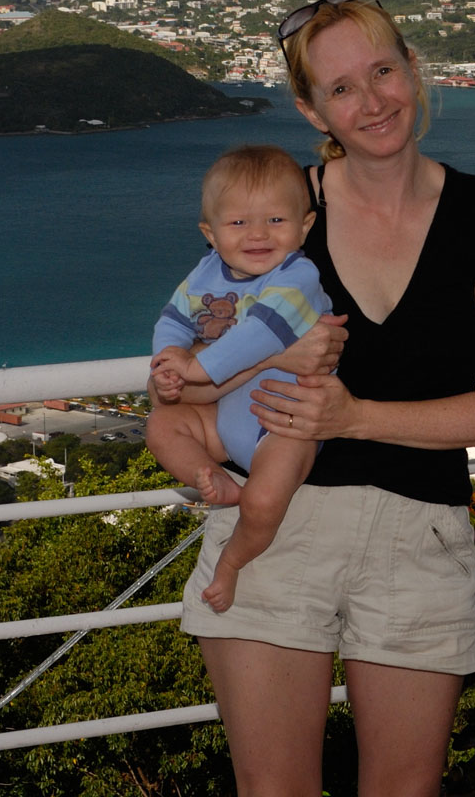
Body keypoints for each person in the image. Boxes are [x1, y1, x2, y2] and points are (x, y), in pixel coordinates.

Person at [150, 0, 475, 797]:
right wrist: (266, 364)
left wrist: (353, 415)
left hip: (418, 536)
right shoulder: (274, 212)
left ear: (413, 69)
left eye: (382, 71)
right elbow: (179, 382)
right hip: (274, 527)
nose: (371, 102)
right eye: (340, 87)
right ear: (310, 109)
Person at [148, 144, 332, 612]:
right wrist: (168, 361)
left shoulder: (298, 276)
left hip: (285, 424)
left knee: (264, 500)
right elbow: (174, 318)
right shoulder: (207, 272)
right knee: (161, 425)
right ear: (210, 234)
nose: (257, 234)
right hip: (224, 420)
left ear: (305, 226)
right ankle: (213, 478)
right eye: (237, 223)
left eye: (276, 220)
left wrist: (196, 368)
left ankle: (230, 564)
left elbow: (259, 335)